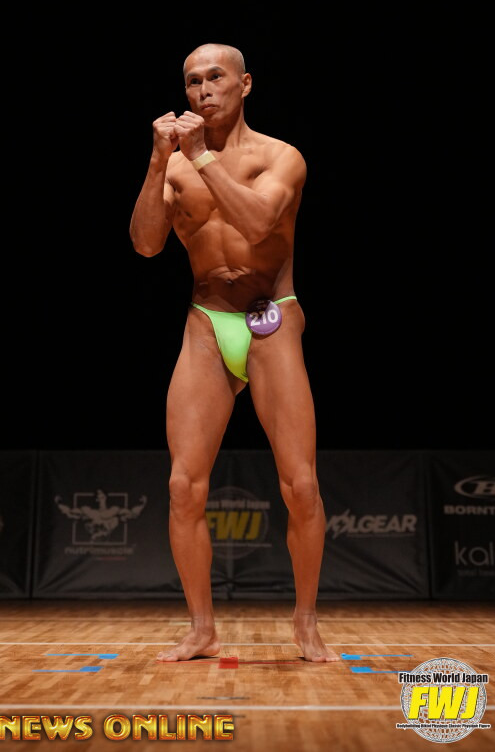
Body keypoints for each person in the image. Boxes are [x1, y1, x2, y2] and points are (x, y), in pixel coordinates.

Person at [129, 43, 338, 663]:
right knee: (182, 485)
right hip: (206, 323)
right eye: (192, 81)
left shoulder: (281, 157)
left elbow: (258, 225)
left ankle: (305, 623)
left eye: (215, 77)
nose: (202, 90)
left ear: (245, 84)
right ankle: (201, 629)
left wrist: (199, 156)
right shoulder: (175, 165)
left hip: (271, 320)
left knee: (300, 484)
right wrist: (158, 161)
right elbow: (145, 245)